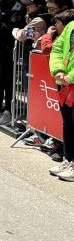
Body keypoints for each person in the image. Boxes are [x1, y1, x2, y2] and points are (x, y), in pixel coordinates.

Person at [49, 14, 74, 181]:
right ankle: (69, 159)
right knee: (68, 123)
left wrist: (71, 76)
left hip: (70, 81)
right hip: (66, 84)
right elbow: (57, 48)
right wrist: (58, 70)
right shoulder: (71, 25)